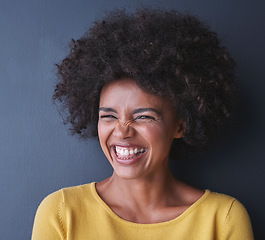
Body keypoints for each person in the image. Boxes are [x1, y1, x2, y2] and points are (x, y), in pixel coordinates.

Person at [32, 8, 254, 239]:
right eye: (109, 116)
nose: (122, 131)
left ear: (181, 125)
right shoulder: (62, 212)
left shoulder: (222, 218)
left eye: (143, 116)